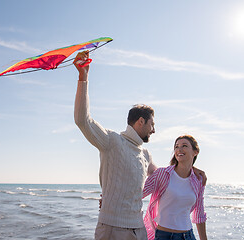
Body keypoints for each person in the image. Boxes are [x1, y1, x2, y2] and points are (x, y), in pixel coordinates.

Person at [73, 51, 206, 240]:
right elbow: (82, 120)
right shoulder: (111, 141)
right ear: (141, 122)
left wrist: (190, 167)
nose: (153, 130)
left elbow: (166, 175)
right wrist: (82, 77)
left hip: (138, 229)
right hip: (112, 227)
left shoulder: (145, 154)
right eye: (152, 124)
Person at [143, 135, 207, 240]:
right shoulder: (162, 174)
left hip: (188, 236)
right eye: (176, 147)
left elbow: (199, 215)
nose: (179, 149)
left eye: (184, 146)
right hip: (164, 236)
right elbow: (137, 193)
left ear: (195, 152)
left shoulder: (198, 180)